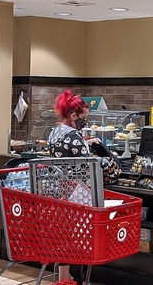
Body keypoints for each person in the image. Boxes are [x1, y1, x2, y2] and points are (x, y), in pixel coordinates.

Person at [46, 90, 122, 282]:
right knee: (76, 235)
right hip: (76, 193)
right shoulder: (73, 135)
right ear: (73, 115)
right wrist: (110, 163)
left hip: (60, 190)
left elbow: (69, 153)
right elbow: (89, 164)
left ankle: (64, 276)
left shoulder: (55, 131)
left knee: (65, 234)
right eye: (83, 118)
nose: (84, 122)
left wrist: (86, 142)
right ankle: (70, 277)